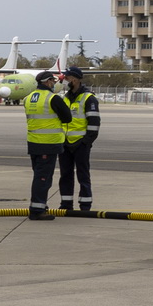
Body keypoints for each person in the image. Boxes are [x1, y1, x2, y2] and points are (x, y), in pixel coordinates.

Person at [22, 70, 72, 220]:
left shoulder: (28, 98)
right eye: (53, 81)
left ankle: (40, 205)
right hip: (48, 143)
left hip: (33, 142)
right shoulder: (52, 98)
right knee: (43, 178)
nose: (54, 84)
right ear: (48, 81)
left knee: (38, 175)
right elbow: (67, 117)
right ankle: (37, 209)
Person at [58, 65, 100, 211]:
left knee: (83, 175)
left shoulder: (89, 98)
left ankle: (85, 205)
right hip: (65, 143)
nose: (65, 80)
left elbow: (94, 124)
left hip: (80, 144)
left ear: (75, 79)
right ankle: (66, 204)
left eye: (67, 78)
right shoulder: (65, 98)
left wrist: (86, 142)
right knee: (65, 175)